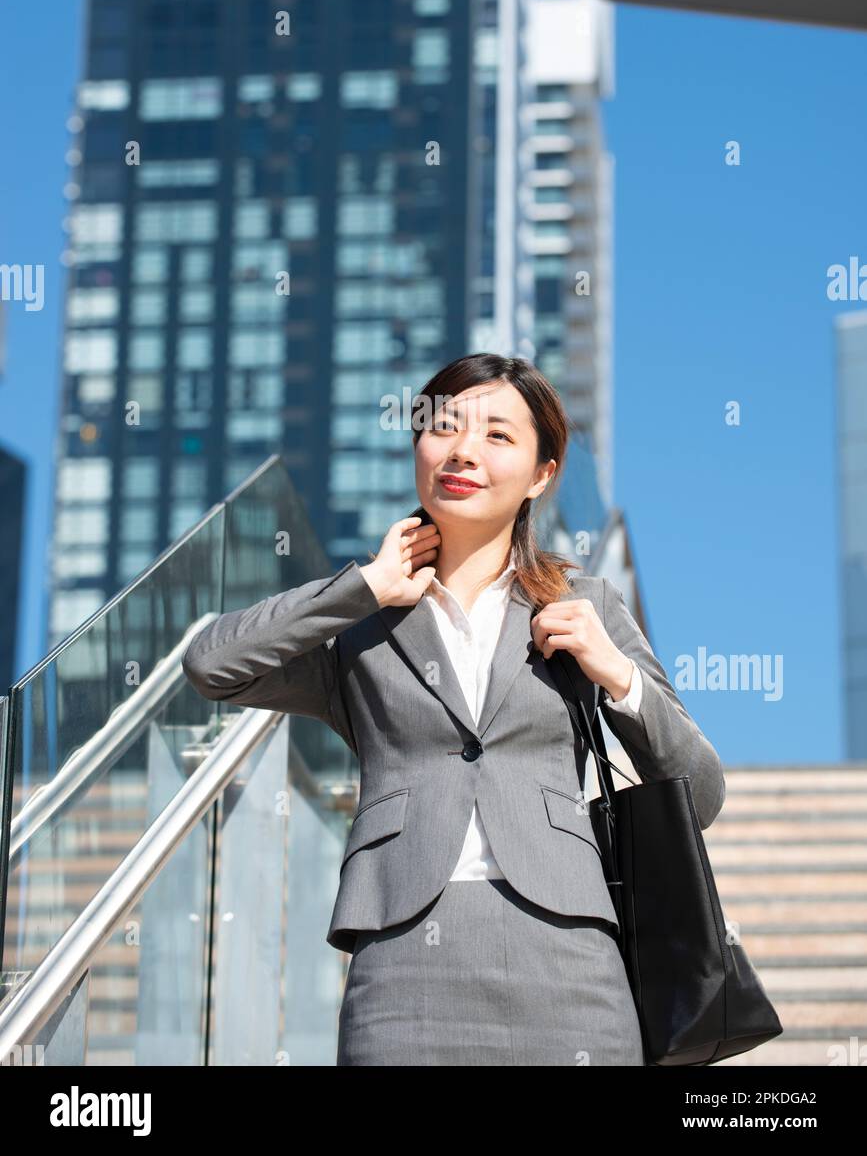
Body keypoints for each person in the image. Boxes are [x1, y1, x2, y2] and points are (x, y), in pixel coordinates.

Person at [182, 352, 726, 1066]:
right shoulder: (358, 620)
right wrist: (361, 589)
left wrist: (618, 677)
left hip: (568, 962)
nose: (463, 451)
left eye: (498, 435)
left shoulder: (583, 604)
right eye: (443, 428)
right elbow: (210, 665)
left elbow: (702, 794)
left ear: (541, 474)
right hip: (403, 959)